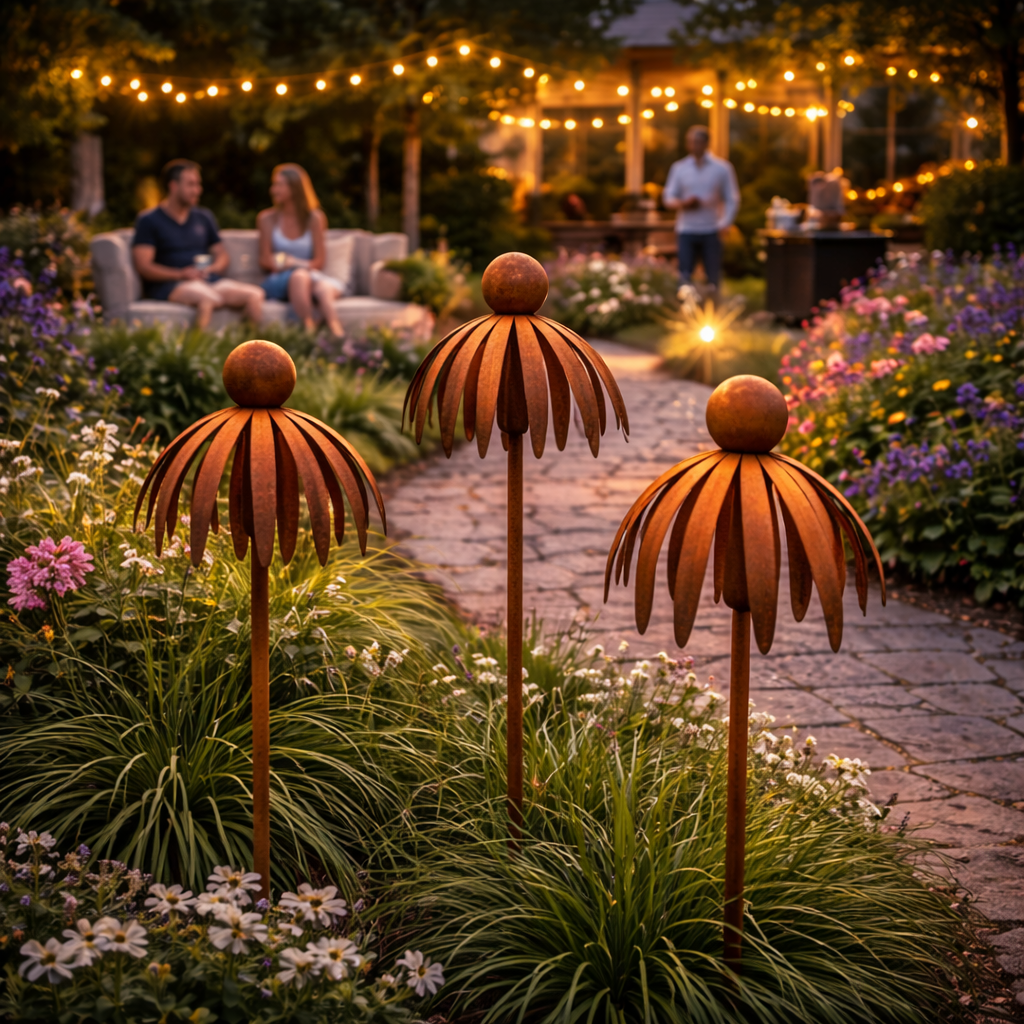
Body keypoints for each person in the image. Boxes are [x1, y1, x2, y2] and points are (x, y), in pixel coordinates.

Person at [132, 159, 264, 330]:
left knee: (255, 294)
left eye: (198, 184)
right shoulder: (149, 220)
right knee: (208, 298)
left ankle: (251, 351)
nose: (197, 190)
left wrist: (212, 269)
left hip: (207, 280)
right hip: (172, 284)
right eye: (191, 185)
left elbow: (222, 255)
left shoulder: (204, 217)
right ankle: (198, 351)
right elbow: (144, 266)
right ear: (173, 186)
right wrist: (181, 274)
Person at [256, 164, 346, 338]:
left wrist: (294, 262)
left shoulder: (315, 218)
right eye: (274, 184)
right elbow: (265, 260)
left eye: (279, 184)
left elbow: (319, 261)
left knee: (323, 289)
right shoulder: (266, 218)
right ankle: (308, 331)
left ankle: (337, 333)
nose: (273, 189)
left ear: (295, 188)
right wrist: (285, 265)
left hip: (309, 274)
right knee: (299, 276)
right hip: (278, 279)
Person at [662, 126, 740, 292]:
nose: (693, 146)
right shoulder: (679, 168)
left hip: (711, 230)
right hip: (686, 229)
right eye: (690, 142)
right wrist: (683, 204)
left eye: (696, 142)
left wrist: (725, 223)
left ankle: (713, 311)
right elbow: (668, 198)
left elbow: (732, 198)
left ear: (706, 143)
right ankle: (685, 311)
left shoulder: (722, 168)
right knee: (684, 275)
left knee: (712, 277)